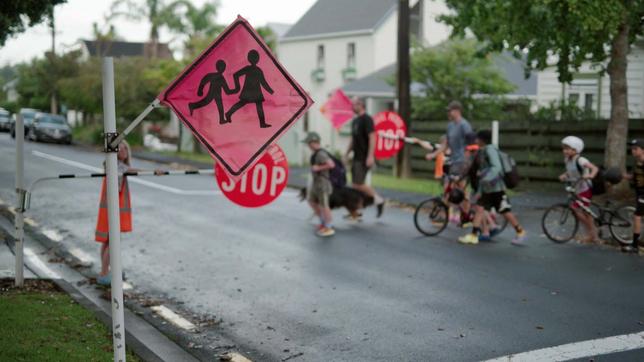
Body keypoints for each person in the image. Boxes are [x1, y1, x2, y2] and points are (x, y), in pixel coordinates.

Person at [95, 141, 163, 285]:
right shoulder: (114, 164)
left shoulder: (118, 165)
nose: (124, 150)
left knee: (108, 240)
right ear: (115, 151)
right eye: (120, 148)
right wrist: (153, 171)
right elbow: (131, 170)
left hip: (110, 207)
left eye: (126, 147)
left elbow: (128, 169)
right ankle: (104, 273)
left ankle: (106, 271)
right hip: (112, 208)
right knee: (112, 241)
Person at [459, 130, 527, 245]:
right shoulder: (484, 150)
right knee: (479, 209)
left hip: (496, 189)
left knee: (505, 211)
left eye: (477, 138)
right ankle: (474, 235)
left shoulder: (490, 150)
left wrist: (485, 178)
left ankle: (520, 231)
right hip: (488, 188)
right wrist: (480, 189)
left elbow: (497, 167)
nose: (475, 140)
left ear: (481, 140)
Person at [345, 97, 385, 218]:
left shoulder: (367, 119)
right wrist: (346, 154)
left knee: (358, 185)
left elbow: (373, 137)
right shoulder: (355, 121)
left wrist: (370, 156)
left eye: (354, 104)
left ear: (361, 105)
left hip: (364, 157)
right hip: (356, 157)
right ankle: (356, 211)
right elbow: (353, 139)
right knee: (355, 185)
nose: (352, 106)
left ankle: (379, 200)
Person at [558, 136, 600, 244]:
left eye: (567, 149)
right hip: (576, 188)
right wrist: (564, 175)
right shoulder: (567, 160)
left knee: (578, 210)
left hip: (585, 188)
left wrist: (590, 175)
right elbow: (571, 172)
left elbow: (595, 168)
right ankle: (593, 233)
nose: (565, 151)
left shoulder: (581, 160)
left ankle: (593, 233)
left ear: (576, 149)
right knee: (584, 211)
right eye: (564, 148)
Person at [225, 49, 274, 128]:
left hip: (256, 92)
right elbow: (236, 75)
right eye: (253, 57)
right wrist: (237, 87)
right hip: (248, 92)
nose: (255, 59)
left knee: (259, 106)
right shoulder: (248, 68)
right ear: (249, 59)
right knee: (242, 103)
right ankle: (228, 113)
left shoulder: (258, 70)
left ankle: (262, 123)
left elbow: (263, 82)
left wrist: (271, 92)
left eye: (256, 58)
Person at [303, 132, 336, 237]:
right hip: (316, 183)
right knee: (311, 200)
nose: (308, 145)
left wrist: (318, 168)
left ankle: (329, 226)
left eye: (309, 143)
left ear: (314, 142)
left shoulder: (321, 153)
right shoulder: (316, 153)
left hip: (323, 183)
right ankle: (323, 222)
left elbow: (331, 164)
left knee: (324, 205)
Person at [621, 139, 644, 254]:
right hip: (639, 192)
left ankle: (635, 246)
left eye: (636, 149)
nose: (633, 151)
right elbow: (633, 177)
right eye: (632, 149)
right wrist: (621, 176)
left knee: (637, 216)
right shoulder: (636, 163)